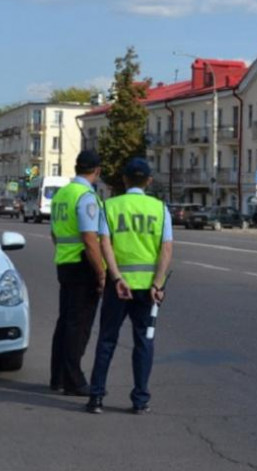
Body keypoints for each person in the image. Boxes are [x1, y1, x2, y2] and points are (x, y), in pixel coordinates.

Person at [86, 157, 173, 415]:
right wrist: (158, 283)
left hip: (118, 288)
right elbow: (166, 249)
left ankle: (96, 397)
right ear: (149, 181)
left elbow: (105, 244)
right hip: (148, 290)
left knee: (106, 341)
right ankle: (140, 400)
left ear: (124, 179)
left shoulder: (110, 206)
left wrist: (116, 278)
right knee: (144, 342)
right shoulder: (159, 208)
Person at [49, 150, 107, 397]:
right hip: (83, 265)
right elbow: (89, 238)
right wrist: (102, 272)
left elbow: (54, 233)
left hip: (65, 263)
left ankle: (58, 377)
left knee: (65, 322)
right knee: (79, 326)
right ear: (97, 170)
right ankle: (74, 380)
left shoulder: (62, 194)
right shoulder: (86, 196)